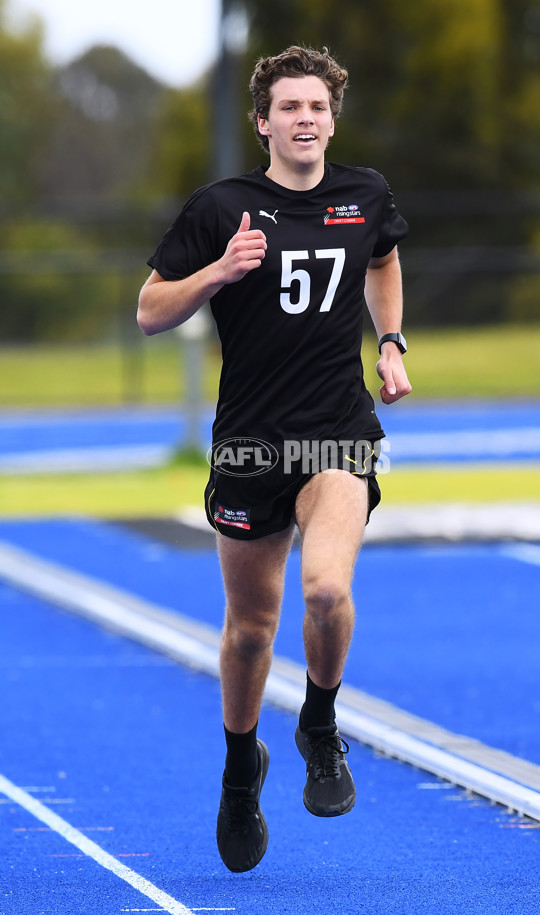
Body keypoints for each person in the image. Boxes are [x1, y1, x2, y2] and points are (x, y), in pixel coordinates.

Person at [137, 45, 411, 873]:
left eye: (317, 108)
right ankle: (238, 768)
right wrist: (217, 272)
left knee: (327, 589)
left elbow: (384, 257)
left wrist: (390, 341)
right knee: (251, 631)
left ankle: (320, 725)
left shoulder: (363, 195)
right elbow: (149, 311)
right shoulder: (223, 206)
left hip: (336, 429)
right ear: (263, 122)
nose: (304, 120)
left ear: (332, 117)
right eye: (289, 108)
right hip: (252, 441)